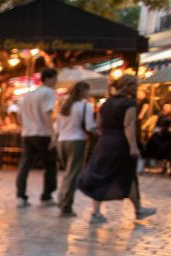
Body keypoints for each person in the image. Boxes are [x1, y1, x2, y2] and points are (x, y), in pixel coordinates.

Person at [77, 74, 157, 224]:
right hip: (121, 143)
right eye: (134, 85)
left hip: (104, 143)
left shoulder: (106, 103)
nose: (136, 88)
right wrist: (133, 146)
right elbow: (129, 125)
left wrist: (107, 136)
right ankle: (138, 210)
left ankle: (96, 212)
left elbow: (98, 125)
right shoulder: (129, 103)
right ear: (128, 86)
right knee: (127, 175)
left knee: (101, 174)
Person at [15, 68, 58, 207]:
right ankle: (47, 196)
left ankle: (21, 196)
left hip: (28, 134)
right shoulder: (49, 92)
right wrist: (53, 134)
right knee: (50, 165)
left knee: (25, 165)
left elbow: (19, 115)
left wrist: (25, 127)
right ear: (49, 79)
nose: (56, 81)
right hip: (42, 134)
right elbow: (47, 114)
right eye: (55, 78)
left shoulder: (28, 95)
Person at [55, 81, 95, 218]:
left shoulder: (64, 105)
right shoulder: (85, 106)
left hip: (62, 141)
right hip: (77, 141)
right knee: (73, 175)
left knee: (68, 173)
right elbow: (89, 126)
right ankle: (66, 206)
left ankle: (61, 199)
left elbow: (58, 127)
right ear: (83, 92)